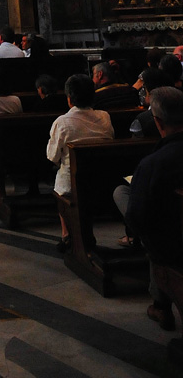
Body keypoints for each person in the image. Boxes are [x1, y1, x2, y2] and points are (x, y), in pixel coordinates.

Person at [114, 87, 183, 331]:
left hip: (172, 247)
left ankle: (161, 302)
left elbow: (138, 217)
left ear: (157, 121)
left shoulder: (153, 163)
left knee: (141, 214)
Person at [47, 73, 114, 250]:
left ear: (69, 99)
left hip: (72, 185)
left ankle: (67, 235)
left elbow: (52, 156)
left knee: (60, 179)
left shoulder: (62, 122)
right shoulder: (105, 117)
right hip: (102, 180)